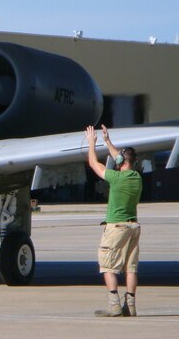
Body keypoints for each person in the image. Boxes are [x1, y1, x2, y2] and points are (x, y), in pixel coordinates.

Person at [85, 125, 142, 317]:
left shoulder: (116, 178)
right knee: (131, 267)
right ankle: (131, 306)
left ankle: (114, 305)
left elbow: (94, 164)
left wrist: (92, 144)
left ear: (121, 162)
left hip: (116, 227)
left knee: (107, 266)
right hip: (133, 226)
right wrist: (108, 141)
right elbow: (120, 158)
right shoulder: (136, 178)